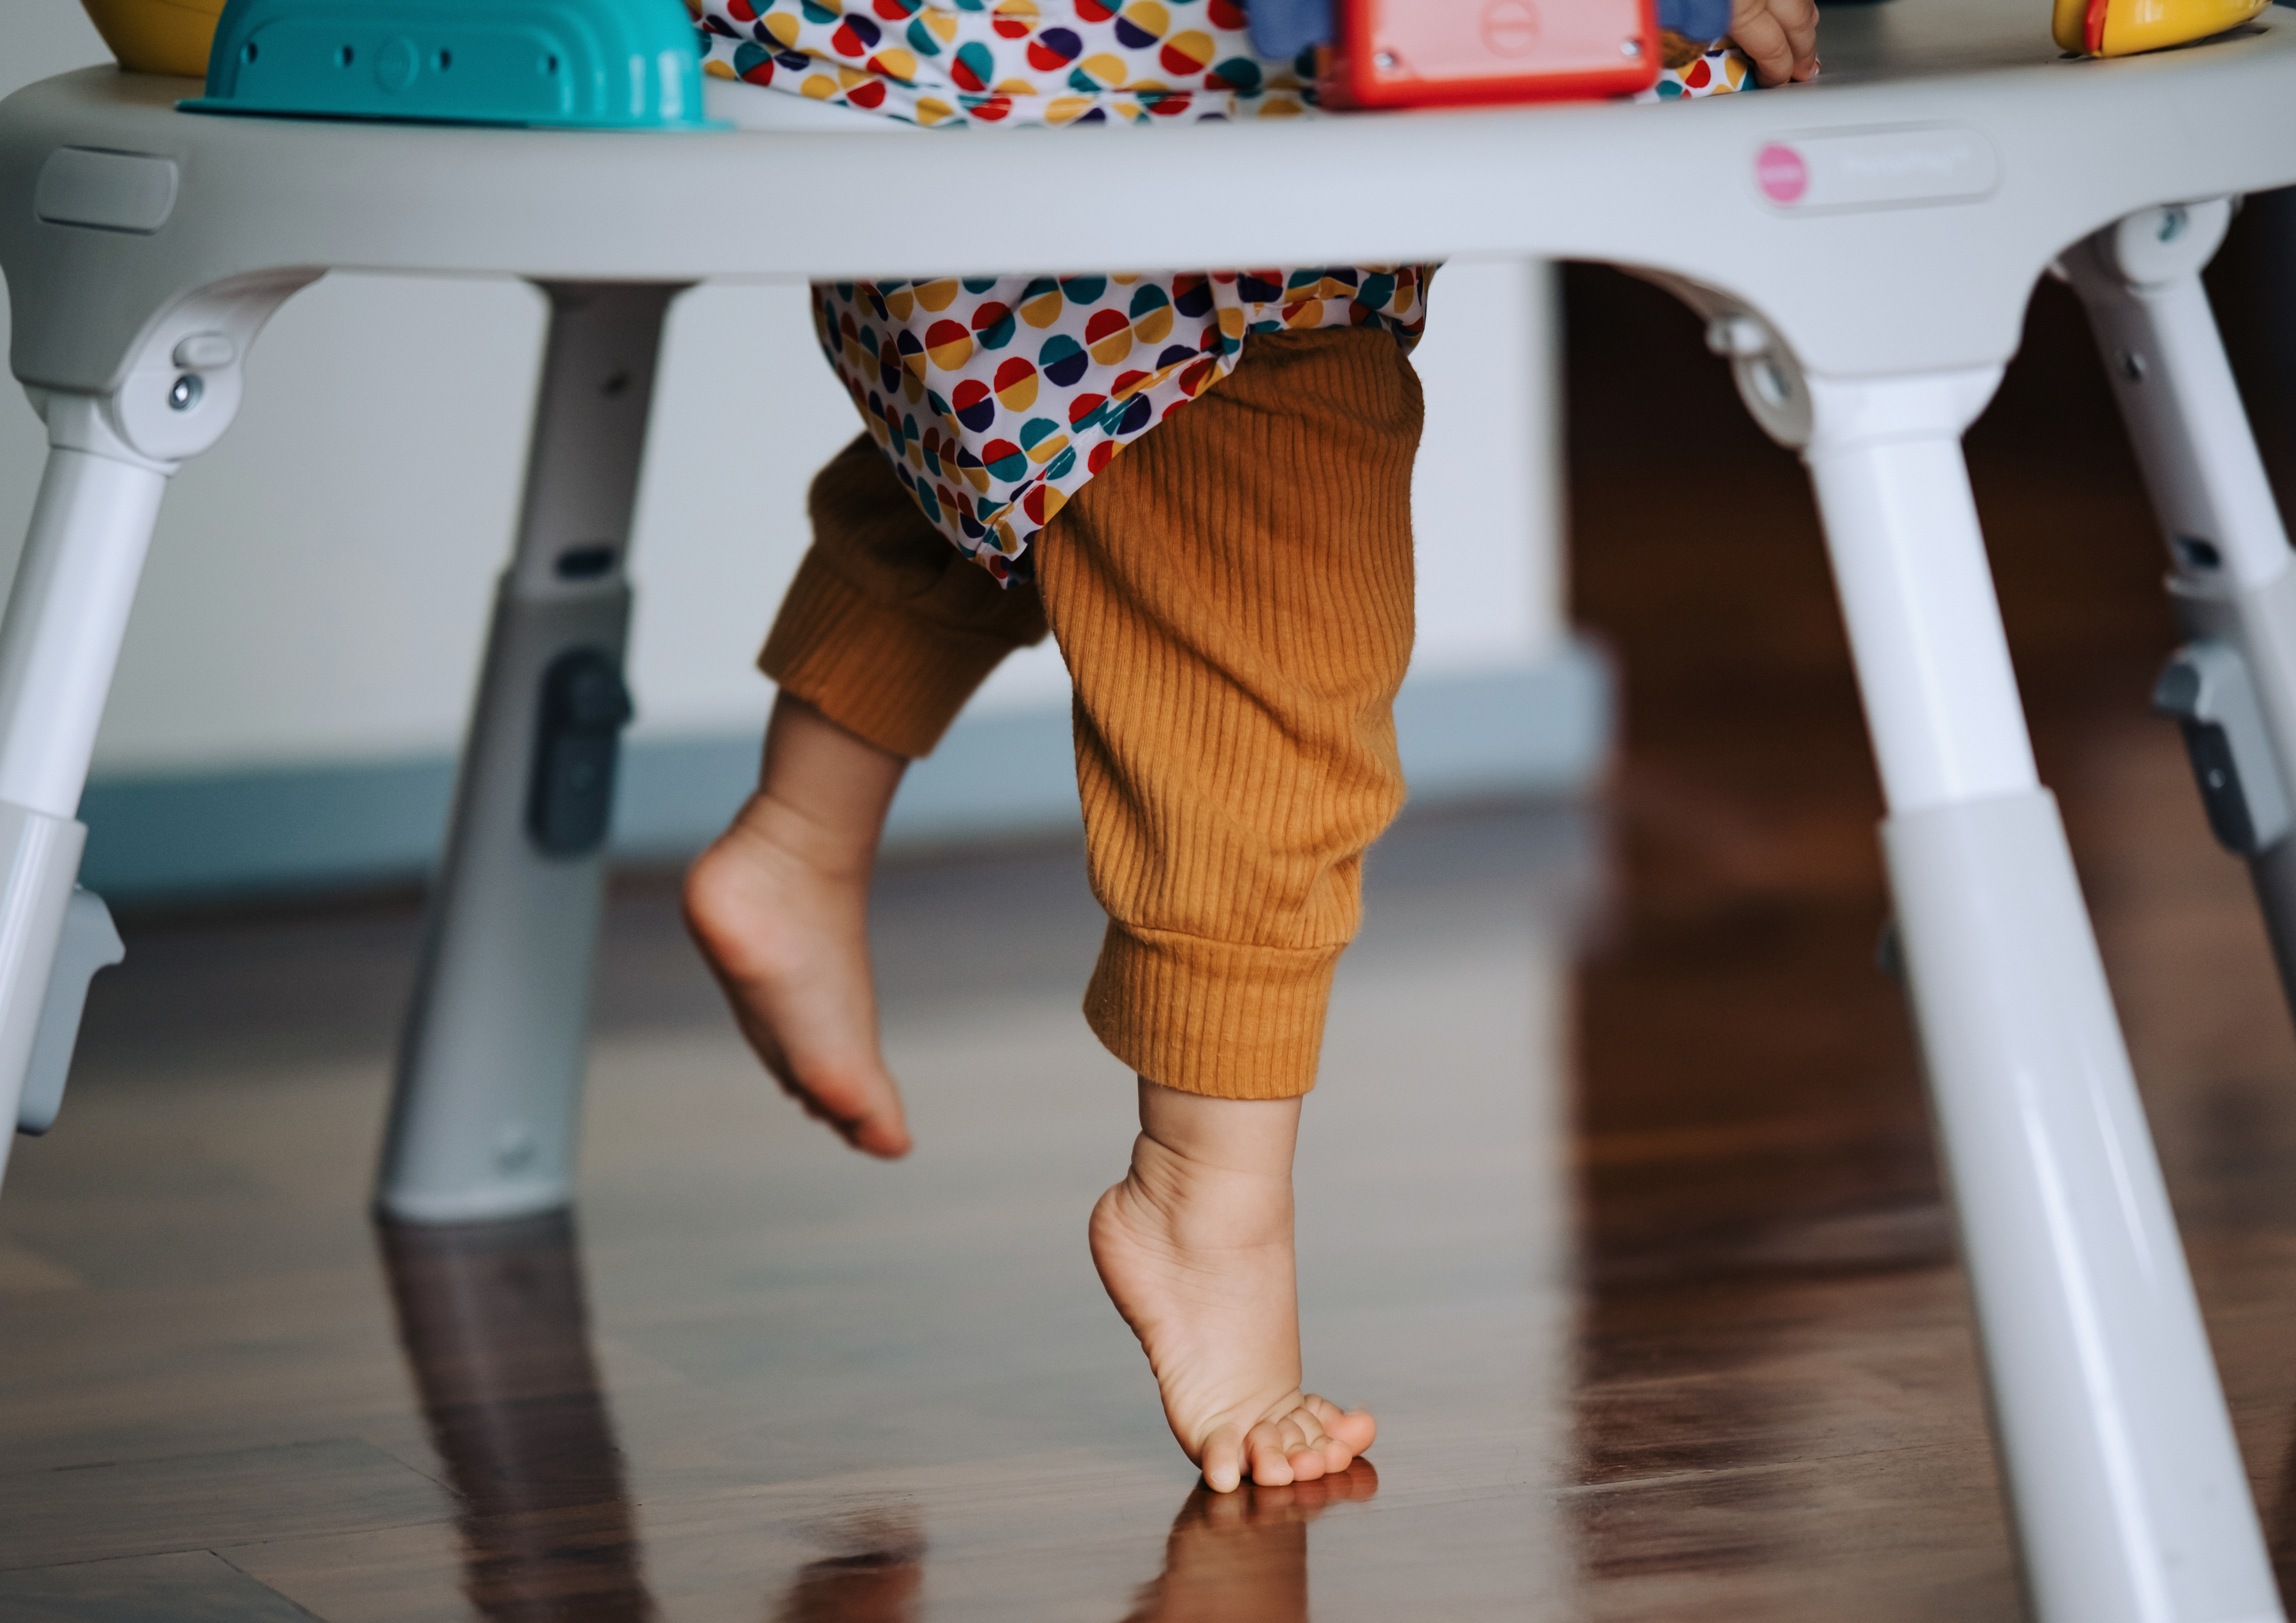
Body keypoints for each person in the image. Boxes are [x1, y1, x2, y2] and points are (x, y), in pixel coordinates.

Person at [679, 0, 1821, 1492]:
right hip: (1127, 101)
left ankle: (799, 833)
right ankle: (1198, 1199)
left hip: (909, 65)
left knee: (1072, 444)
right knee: (1269, 600)